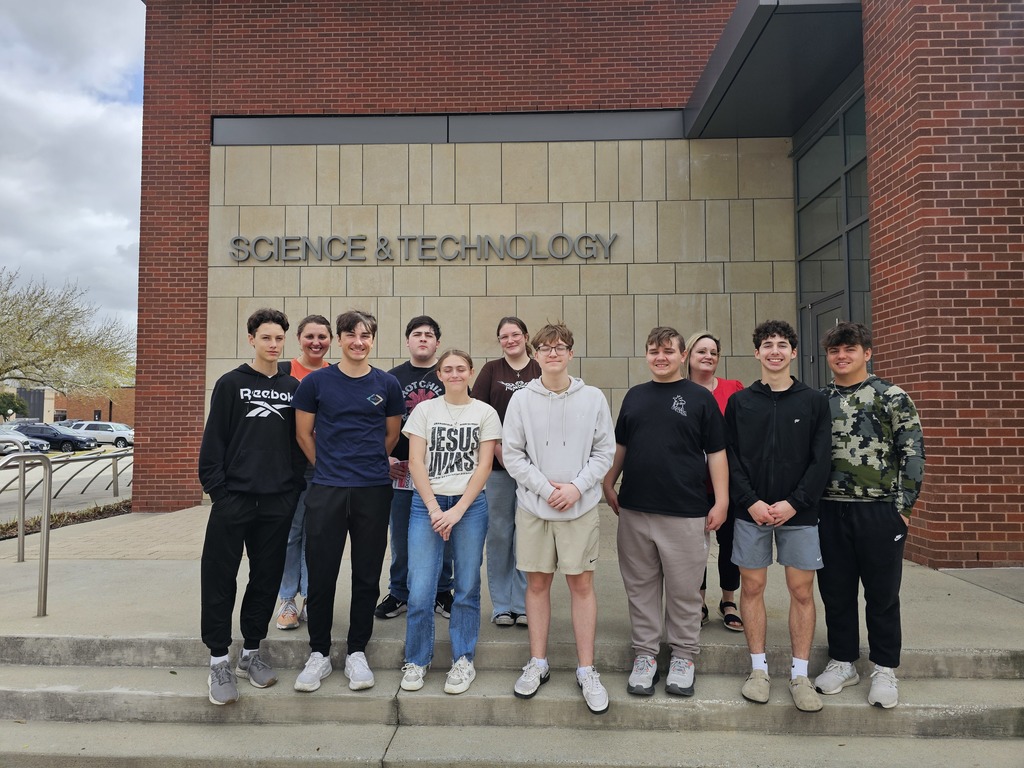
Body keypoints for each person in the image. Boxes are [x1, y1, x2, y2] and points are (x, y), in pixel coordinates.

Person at [603, 327, 728, 699]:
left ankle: (684, 656)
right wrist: (609, 482)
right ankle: (645, 655)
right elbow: (622, 444)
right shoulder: (635, 396)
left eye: (668, 351)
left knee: (684, 591)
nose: (661, 357)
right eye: (654, 351)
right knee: (639, 588)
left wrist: (721, 500)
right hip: (636, 510)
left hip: (686, 511)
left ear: (682, 354)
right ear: (646, 355)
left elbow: (718, 453)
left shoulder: (700, 398)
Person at [502, 322, 615, 714]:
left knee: (581, 585)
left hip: (579, 506)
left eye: (560, 347)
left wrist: (576, 487)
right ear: (535, 354)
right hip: (535, 506)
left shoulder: (594, 398)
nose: (552, 353)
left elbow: (604, 452)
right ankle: (538, 663)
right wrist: (547, 489)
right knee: (537, 584)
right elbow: (512, 453)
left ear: (570, 353)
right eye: (545, 348)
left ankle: (587, 669)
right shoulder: (521, 400)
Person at [291, 310, 404, 693]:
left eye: (366, 335)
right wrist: (329, 468)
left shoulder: (386, 384)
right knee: (321, 572)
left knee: (367, 574)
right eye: (351, 334)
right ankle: (318, 654)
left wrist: (364, 465)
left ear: (373, 339)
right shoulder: (317, 382)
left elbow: (391, 435)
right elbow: (304, 434)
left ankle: (357, 651)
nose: (359, 341)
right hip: (327, 488)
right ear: (339, 339)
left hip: (373, 489)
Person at [813, 322, 925, 709]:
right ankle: (844, 661)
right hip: (830, 509)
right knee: (836, 592)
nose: (842, 356)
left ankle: (884, 668)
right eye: (835, 350)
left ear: (867, 352)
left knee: (882, 594)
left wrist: (903, 509)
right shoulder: (819, 399)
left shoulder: (891, 396)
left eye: (850, 349)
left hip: (879, 510)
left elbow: (912, 453)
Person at [197, 308, 306, 705]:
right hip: (234, 500)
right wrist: (219, 493)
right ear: (251, 340)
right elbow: (214, 444)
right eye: (266, 338)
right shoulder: (231, 384)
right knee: (220, 579)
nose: (273, 345)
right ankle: (218, 660)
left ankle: (251, 653)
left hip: (277, 501)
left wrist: (292, 491)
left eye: (279, 338)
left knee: (265, 580)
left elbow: (299, 447)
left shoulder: (294, 388)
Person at [725, 320, 831, 712]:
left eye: (782, 344)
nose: (774, 350)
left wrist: (794, 502)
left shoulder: (814, 401)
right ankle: (758, 670)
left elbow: (822, 461)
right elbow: (728, 457)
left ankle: (800, 674)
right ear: (756, 353)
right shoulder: (740, 402)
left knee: (802, 591)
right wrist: (750, 500)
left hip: (799, 513)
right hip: (749, 510)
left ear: (792, 352)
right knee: (751, 589)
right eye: (767, 344)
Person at [399, 349, 502, 694]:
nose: (455, 373)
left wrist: (457, 510)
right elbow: (415, 462)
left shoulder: (485, 412)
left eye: (461, 368)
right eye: (448, 369)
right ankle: (416, 660)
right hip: (426, 504)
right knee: (421, 588)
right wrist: (433, 508)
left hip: (469, 506)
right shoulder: (424, 410)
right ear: (439, 375)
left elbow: (484, 466)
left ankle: (463, 660)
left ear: (471, 372)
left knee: (468, 586)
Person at [375, 316, 454, 622]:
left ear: (437, 342)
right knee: (402, 534)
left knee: (444, 531)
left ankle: (442, 591)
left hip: (443, 472)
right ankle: (399, 592)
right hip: (403, 471)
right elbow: (377, 425)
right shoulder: (390, 378)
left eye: (429, 335)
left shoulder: (449, 374)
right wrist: (385, 459)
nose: (423, 339)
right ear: (407, 341)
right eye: (417, 334)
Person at [473, 316, 541, 627]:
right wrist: (503, 453)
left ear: (526, 336)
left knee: (527, 534)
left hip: (535, 470)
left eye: (515, 334)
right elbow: (480, 415)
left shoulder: (539, 369)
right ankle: (501, 604)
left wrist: (526, 462)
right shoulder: (491, 370)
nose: (510, 340)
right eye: (504, 336)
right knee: (500, 534)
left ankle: (522, 603)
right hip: (499, 468)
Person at [274, 314, 332, 631]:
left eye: (322, 337)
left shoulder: (334, 375)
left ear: (330, 341)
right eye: (310, 336)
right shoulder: (283, 372)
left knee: (317, 536)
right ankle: (287, 600)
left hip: (322, 470)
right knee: (291, 533)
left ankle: (311, 597)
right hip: (288, 470)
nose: (316, 342)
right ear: (299, 338)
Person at [684, 330, 745, 632]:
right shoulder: (680, 391)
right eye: (701, 351)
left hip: (728, 483)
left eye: (713, 352)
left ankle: (729, 600)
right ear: (688, 356)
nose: (708, 356)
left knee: (730, 543)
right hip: (692, 485)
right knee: (696, 546)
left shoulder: (734, 389)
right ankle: (700, 601)